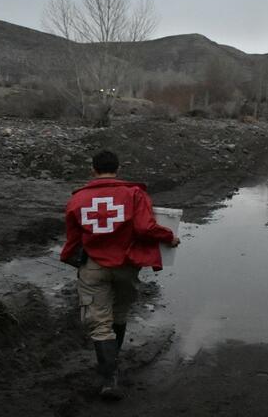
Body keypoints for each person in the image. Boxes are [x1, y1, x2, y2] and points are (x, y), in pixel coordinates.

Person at [60, 150, 180, 399]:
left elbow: (72, 240)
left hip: (94, 266)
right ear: (118, 168)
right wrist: (169, 237)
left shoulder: (77, 199)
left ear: (93, 169)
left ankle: (109, 378)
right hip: (126, 265)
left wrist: (70, 259)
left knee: (98, 321)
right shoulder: (135, 194)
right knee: (120, 313)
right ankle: (113, 364)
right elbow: (145, 228)